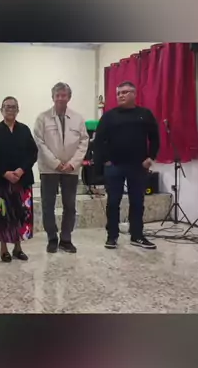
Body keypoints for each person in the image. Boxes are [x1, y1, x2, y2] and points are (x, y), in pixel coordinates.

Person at [92, 81, 160, 250]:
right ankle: (112, 236)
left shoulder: (144, 114)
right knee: (113, 202)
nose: (121, 95)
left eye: (125, 92)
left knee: (137, 202)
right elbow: (98, 141)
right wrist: (105, 161)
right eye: (118, 93)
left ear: (134, 94)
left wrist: (150, 158)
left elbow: (155, 137)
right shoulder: (109, 116)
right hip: (114, 166)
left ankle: (137, 236)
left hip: (138, 166)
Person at [34, 82, 89, 253]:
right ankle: (52, 238)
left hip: (71, 170)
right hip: (49, 169)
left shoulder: (78, 118)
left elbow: (84, 142)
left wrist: (73, 163)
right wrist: (55, 163)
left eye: (63, 95)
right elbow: (39, 142)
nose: (60, 98)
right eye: (57, 95)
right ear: (52, 97)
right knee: (48, 205)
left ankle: (66, 239)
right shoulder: (42, 118)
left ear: (69, 97)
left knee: (70, 206)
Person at [0, 96, 38, 262]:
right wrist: (5, 173)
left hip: (22, 180)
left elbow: (33, 153)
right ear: (1, 110)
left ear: (18, 110)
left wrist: (21, 170)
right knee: (2, 215)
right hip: (1, 181)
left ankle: (18, 247)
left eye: (13, 107)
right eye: (7, 107)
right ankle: (3, 249)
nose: (10, 109)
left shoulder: (24, 130)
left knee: (20, 214)